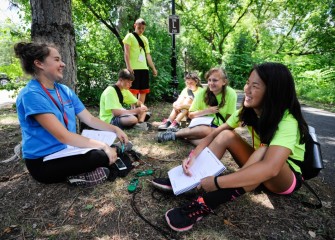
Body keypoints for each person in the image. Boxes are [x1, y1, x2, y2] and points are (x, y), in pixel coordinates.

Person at [154, 62, 309, 232]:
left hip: (283, 179)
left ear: (273, 91)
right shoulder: (248, 110)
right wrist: (193, 155)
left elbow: (271, 168)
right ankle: (187, 180)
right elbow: (214, 133)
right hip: (258, 165)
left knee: (264, 150)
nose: (247, 89)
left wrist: (218, 182)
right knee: (226, 135)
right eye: (248, 83)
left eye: (255, 86)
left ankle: (204, 204)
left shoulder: (288, 120)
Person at [14, 42, 129, 187]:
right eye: (56, 60)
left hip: (67, 149)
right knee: (99, 154)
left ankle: (99, 163)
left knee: (107, 148)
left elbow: (90, 119)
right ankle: (84, 172)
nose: (63, 64)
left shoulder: (64, 90)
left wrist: (115, 129)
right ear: (39, 64)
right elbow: (63, 136)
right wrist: (103, 146)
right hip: (43, 161)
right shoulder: (32, 94)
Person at [156, 67, 237, 145]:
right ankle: (175, 134)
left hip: (219, 127)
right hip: (202, 125)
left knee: (213, 142)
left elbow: (229, 119)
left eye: (215, 80)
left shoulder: (231, 93)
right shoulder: (202, 94)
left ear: (224, 82)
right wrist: (207, 111)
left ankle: (186, 137)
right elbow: (191, 115)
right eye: (209, 80)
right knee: (206, 131)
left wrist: (223, 131)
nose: (211, 83)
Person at [123, 18, 158, 105]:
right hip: (133, 68)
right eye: (139, 28)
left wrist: (153, 68)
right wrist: (129, 67)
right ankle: (134, 112)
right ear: (135, 25)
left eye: (143, 28)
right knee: (133, 91)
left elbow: (148, 55)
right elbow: (126, 53)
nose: (141, 30)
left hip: (144, 69)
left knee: (143, 91)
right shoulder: (129, 36)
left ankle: (140, 111)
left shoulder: (145, 39)